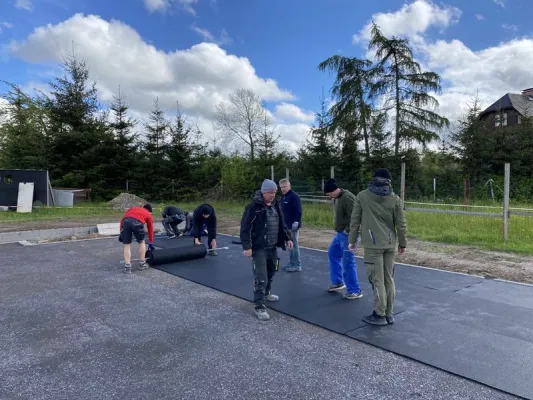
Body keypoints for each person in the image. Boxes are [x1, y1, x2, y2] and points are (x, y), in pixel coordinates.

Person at [348, 168, 407, 326]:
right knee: (389, 279)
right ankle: (389, 313)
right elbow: (401, 224)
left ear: (373, 179)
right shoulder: (395, 198)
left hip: (373, 245)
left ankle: (379, 314)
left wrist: (352, 240)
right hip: (389, 244)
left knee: (377, 279)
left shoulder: (362, 196)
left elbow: (355, 220)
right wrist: (402, 243)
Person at [240, 179, 293, 320]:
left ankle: (267, 293)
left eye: (275, 192)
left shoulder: (276, 205)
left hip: (272, 246)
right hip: (259, 248)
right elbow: (245, 228)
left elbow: (282, 224)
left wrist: (288, 238)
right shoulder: (253, 207)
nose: (273, 195)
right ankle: (259, 306)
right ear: (263, 192)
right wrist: (247, 246)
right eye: (270, 192)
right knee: (261, 277)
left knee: (272, 270)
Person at [323, 178, 363, 300]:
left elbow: (357, 217)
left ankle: (355, 290)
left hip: (348, 235)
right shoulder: (339, 198)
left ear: (334, 190)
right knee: (333, 253)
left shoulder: (347, 198)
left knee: (348, 261)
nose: (329, 197)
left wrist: (348, 232)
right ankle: (338, 282)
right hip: (340, 234)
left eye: (329, 194)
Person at [118, 203, 155, 274]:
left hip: (126, 222)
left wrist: (121, 232)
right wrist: (150, 242)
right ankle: (142, 264)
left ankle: (127, 267)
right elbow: (150, 228)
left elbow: (122, 220)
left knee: (127, 245)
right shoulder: (148, 214)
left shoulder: (133, 208)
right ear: (150, 211)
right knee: (142, 242)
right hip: (137, 223)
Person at [279, 178, 303, 272]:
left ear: (289, 186)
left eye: (285, 186)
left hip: (292, 225)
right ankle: (292, 263)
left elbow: (299, 210)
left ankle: (297, 265)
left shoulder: (293, 196)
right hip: (286, 226)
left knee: (294, 245)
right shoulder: (283, 197)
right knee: (290, 245)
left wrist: (296, 221)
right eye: (281, 187)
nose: (283, 189)